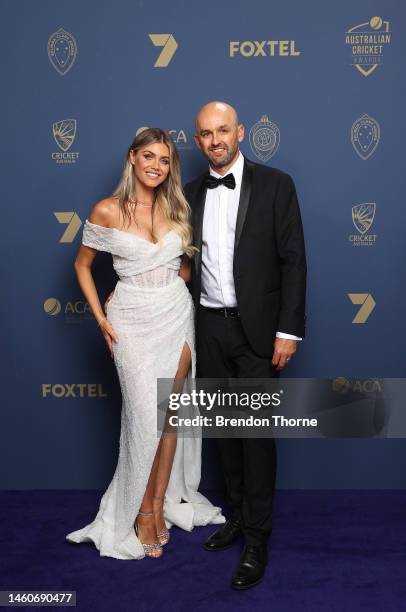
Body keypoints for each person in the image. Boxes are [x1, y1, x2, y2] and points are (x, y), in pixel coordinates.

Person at [65, 128, 223, 560]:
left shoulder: (177, 209)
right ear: (132, 158)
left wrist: (161, 283)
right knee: (143, 418)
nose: (156, 165)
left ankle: (153, 510)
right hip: (130, 322)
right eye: (148, 156)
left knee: (169, 418)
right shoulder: (107, 209)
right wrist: (101, 316)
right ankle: (134, 510)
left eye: (165, 159)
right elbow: (82, 266)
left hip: (175, 315)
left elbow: (185, 270)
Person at [184, 102, 307, 589]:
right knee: (224, 435)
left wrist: (288, 330)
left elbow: (294, 260)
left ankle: (257, 538)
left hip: (259, 335)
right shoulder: (189, 193)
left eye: (222, 131)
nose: (215, 140)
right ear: (196, 141)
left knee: (254, 437)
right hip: (209, 329)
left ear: (240, 132)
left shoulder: (277, 184)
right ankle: (236, 516)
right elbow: (178, 262)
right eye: (204, 134)